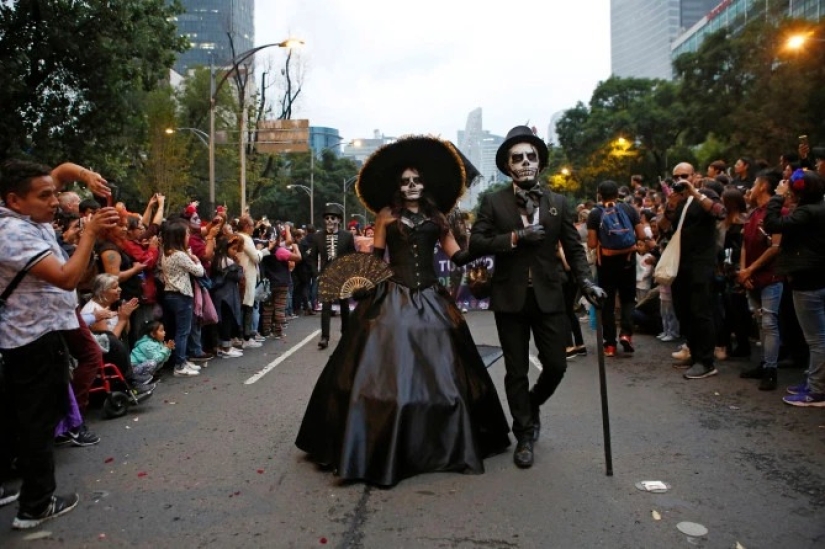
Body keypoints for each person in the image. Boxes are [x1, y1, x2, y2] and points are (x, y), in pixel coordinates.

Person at [296, 136, 510, 486]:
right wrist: (364, 281)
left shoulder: (437, 217)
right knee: (381, 363)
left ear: (425, 184)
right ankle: (380, 437)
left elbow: (457, 254)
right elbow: (377, 258)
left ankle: (439, 438)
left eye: (416, 180)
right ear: (398, 187)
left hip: (430, 296)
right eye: (405, 181)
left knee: (446, 363)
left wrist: (484, 253)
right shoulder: (384, 216)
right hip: (392, 295)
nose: (411, 186)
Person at [469, 125, 605, 469]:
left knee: (556, 365)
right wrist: (515, 237)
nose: (526, 162)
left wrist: (586, 284)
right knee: (516, 371)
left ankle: (530, 404)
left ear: (540, 163)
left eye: (532, 156)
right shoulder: (493, 201)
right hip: (510, 298)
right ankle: (524, 434)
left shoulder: (558, 202)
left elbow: (574, 250)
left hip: (549, 296)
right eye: (518, 157)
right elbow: (478, 242)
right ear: (508, 166)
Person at [0, 160, 119, 529]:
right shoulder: (13, 234)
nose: (56, 200)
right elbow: (67, 278)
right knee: (37, 423)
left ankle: (10, 485)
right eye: (45, 195)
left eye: (55, 192)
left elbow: (62, 171)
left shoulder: (23, 220)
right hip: (33, 338)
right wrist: (89, 234)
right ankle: (36, 506)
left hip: (32, 333)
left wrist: (85, 177)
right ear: (14, 200)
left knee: (17, 418)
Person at [659, 162, 726, 380]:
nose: (680, 181)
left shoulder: (705, 193)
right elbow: (662, 227)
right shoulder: (676, 200)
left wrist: (694, 192)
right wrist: (670, 205)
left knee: (701, 311)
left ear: (694, 175)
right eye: (676, 177)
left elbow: (720, 212)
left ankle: (706, 362)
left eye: (684, 176)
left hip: (701, 263)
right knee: (684, 311)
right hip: (680, 263)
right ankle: (695, 354)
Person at [764, 169, 825, 406]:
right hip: (816, 278)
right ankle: (813, 381)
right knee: (818, 337)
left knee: (817, 339)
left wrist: (776, 197)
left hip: (808, 281)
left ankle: (817, 390)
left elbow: (772, 224)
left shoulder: (807, 212)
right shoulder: (817, 208)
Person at [587, 180, 648, 357]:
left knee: (607, 303)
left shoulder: (595, 214)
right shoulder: (629, 209)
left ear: (599, 194)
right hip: (628, 261)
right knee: (628, 299)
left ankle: (610, 345)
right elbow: (642, 234)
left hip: (605, 264)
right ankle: (626, 334)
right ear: (617, 194)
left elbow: (591, 243)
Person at [305, 204, 356, 349]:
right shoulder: (317, 237)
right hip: (326, 275)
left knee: (344, 305)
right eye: (326, 218)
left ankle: (345, 333)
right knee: (326, 307)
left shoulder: (347, 236)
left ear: (339, 220)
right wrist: (317, 274)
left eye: (332, 218)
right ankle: (324, 337)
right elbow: (311, 257)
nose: (329, 221)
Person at [159, 220, 205, 377]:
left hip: (169, 294)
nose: (189, 237)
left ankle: (181, 360)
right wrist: (197, 261)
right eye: (187, 234)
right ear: (180, 237)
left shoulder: (167, 253)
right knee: (183, 332)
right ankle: (180, 364)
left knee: (176, 330)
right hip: (181, 295)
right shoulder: (179, 255)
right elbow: (198, 272)